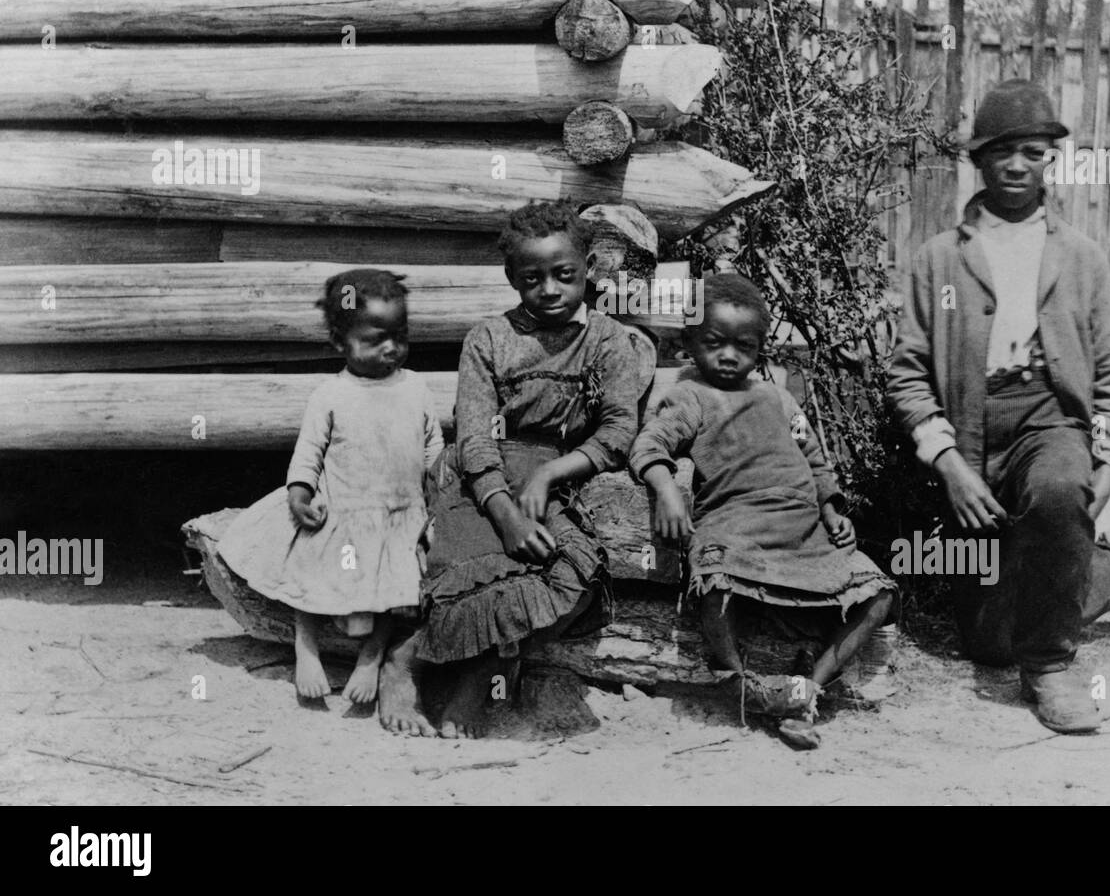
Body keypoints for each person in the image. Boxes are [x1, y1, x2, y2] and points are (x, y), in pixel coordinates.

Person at [887, 78, 1110, 735]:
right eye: (1002, 151)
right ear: (979, 160)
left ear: (1051, 158)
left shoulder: (1081, 259)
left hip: (1050, 420)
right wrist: (950, 464)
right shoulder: (939, 259)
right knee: (989, 641)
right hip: (970, 436)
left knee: (1057, 487)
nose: (1017, 165)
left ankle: (1052, 665)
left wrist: (1104, 461)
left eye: (1033, 151)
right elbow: (906, 371)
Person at [379, 200, 641, 738]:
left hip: (556, 475)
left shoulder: (609, 341)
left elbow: (617, 432)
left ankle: (483, 674)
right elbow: (474, 437)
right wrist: (503, 513)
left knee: (573, 573)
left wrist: (550, 477)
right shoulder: (489, 339)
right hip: (481, 478)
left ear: (588, 269)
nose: (549, 289)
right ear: (512, 279)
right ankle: (405, 663)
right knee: (466, 569)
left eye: (563, 275)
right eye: (532, 278)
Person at [630, 273, 898, 749]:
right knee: (715, 587)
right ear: (690, 342)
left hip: (804, 532)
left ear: (760, 350)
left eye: (744, 346)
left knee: (878, 595)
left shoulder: (777, 396)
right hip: (737, 527)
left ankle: (807, 691)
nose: (729, 355)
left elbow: (814, 458)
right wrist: (666, 488)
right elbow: (650, 443)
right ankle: (742, 686)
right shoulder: (689, 396)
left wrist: (833, 508)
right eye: (714, 342)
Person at [218, 269, 442, 706]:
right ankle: (307, 648)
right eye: (374, 339)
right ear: (340, 343)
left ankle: (371, 656)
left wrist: (439, 488)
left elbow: (432, 443)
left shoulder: (416, 388)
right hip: (342, 510)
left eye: (399, 335)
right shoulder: (331, 394)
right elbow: (308, 452)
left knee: (394, 588)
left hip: (400, 513)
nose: (391, 348)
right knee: (312, 568)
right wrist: (300, 493)